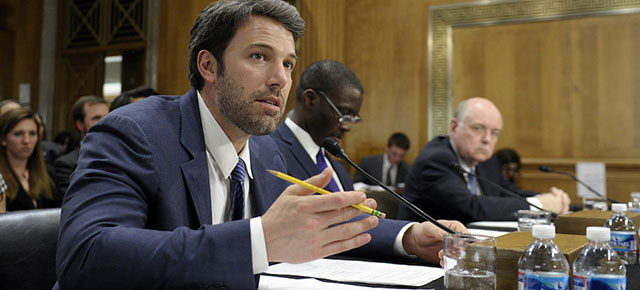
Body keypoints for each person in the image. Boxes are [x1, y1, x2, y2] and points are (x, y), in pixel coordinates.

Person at [55, 1, 465, 289]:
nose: (281, 79)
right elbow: (87, 256)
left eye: (287, 63)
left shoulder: (266, 149)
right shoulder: (134, 132)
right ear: (208, 66)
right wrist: (260, 241)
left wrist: (408, 237)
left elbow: (312, 226)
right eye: (258, 56)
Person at [398, 97, 570, 224]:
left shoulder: (486, 162)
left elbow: (508, 192)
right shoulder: (435, 159)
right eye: (478, 128)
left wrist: (549, 198)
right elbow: (470, 208)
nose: (487, 140)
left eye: (494, 133)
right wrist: (539, 204)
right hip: (426, 259)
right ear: (454, 127)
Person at [0, 108, 57, 211]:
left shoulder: (49, 173)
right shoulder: (1, 177)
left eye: (32, 134)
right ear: (3, 139)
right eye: (18, 134)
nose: (26, 141)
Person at [53, 95, 108, 196]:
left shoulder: (121, 155)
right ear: (80, 125)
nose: (105, 122)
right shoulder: (66, 164)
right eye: (96, 118)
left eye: (107, 117)